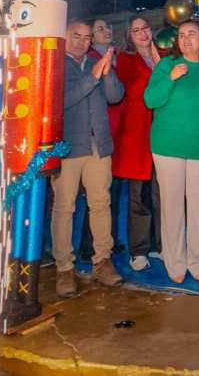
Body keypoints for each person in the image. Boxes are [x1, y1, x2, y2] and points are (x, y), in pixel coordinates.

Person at [143, 19, 199, 283]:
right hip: (168, 147)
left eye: (192, 34)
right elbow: (151, 100)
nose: (186, 39)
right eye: (181, 35)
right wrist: (171, 78)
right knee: (172, 205)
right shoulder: (166, 65)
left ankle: (198, 260)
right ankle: (174, 261)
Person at [52, 20, 124, 298]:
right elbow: (61, 101)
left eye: (86, 37)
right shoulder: (56, 65)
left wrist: (106, 72)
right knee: (64, 206)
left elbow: (116, 96)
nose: (82, 42)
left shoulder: (97, 61)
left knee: (100, 203)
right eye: (76, 36)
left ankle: (102, 261)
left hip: (99, 145)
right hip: (69, 147)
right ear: (65, 37)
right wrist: (93, 76)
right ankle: (64, 268)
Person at [112, 16, 161, 271]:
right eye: (136, 30)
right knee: (139, 196)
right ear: (129, 36)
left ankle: (160, 245)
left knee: (162, 193)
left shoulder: (163, 53)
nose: (142, 32)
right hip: (136, 136)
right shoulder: (126, 60)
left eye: (145, 27)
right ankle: (139, 249)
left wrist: (160, 62)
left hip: (163, 134)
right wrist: (158, 72)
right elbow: (130, 92)